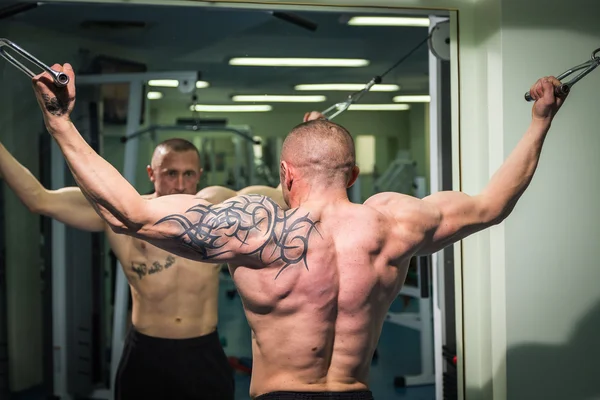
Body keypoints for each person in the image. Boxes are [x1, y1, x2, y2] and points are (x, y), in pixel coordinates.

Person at [30, 64, 567, 399]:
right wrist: (541, 118)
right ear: (353, 174)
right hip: (356, 393)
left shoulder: (256, 230)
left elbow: (131, 213)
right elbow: (494, 204)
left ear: (285, 174)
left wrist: (60, 122)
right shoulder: (393, 222)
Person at [0, 129, 285, 399]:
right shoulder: (122, 214)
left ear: (200, 175)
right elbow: (38, 199)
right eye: (171, 173)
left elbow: (279, 199)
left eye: (188, 174)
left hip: (203, 351)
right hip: (147, 352)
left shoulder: (218, 210)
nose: (181, 184)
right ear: (152, 173)